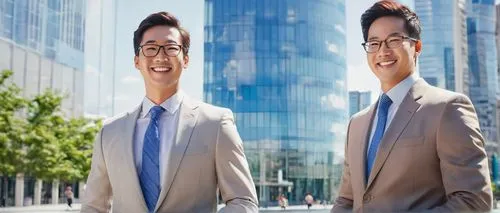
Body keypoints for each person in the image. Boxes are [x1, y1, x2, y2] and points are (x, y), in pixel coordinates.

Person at [81, 11, 258, 213]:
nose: (161, 56)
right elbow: (93, 206)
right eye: (150, 48)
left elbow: (243, 201)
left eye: (171, 48)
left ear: (186, 60)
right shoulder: (109, 131)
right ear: (137, 61)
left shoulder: (216, 123)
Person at [331, 1, 492, 212]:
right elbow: (346, 201)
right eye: (374, 43)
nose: (383, 51)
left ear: (417, 47)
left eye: (394, 40)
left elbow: (473, 201)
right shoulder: (356, 123)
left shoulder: (448, 108)